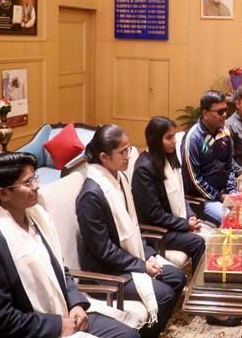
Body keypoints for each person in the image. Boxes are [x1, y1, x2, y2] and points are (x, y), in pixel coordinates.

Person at [0, 152, 139, 338]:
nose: (36, 186)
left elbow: (61, 270)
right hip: (35, 330)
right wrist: (58, 325)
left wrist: (75, 304)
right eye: (28, 182)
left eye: (34, 178)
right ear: (3, 193)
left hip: (64, 311)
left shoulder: (37, 218)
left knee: (129, 335)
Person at [76, 124, 186, 338]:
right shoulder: (91, 195)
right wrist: (141, 266)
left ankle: (156, 328)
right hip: (105, 272)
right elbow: (103, 250)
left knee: (177, 277)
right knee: (164, 295)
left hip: (129, 258)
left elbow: (132, 229)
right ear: (104, 157)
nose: (129, 156)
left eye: (129, 149)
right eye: (123, 152)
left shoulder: (120, 179)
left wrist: (148, 255)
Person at [131, 116, 206, 271]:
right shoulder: (144, 169)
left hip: (173, 224)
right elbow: (154, 215)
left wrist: (190, 216)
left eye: (174, 136)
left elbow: (181, 194)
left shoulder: (169, 158)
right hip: (157, 231)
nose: (174, 141)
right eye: (169, 137)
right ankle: (198, 284)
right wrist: (185, 224)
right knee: (198, 242)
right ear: (155, 139)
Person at [181, 90, 237, 227]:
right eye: (220, 112)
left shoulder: (224, 131)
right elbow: (195, 180)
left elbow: (229, 167)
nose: (224, 115)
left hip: (224, 192)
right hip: (204, 199)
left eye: (226, 110)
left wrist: (232, 191)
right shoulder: (193, 138)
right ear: (205, 113)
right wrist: (220, 197)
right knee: (234, 221)